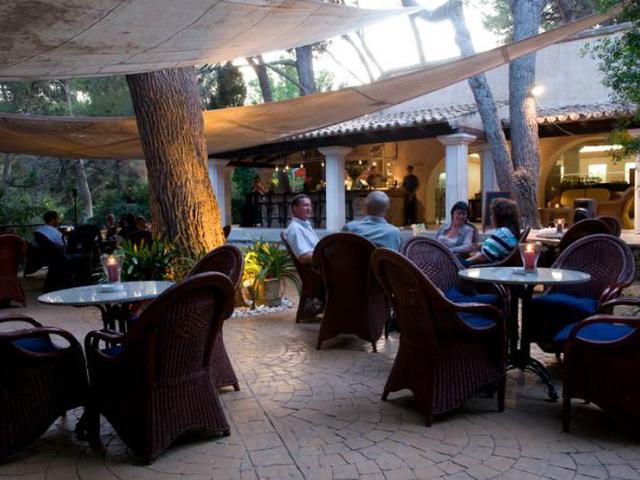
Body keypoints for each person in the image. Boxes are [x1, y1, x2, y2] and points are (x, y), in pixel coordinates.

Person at [466, 198, 521, 265]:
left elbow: (483, 257)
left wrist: (463, 263)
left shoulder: (503, 233)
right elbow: (493, 246)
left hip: (489, 268)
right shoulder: (509, 232)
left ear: (499, 216)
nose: (491, 217)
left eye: (492, 213)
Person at [284, 194, 319, 264]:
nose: (309, 208)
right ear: (295, 208)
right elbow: (303, 257)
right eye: (305, 205)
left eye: (310, 206)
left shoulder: (305, 225)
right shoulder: (295, 228)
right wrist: (324, 254)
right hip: (317, 267)